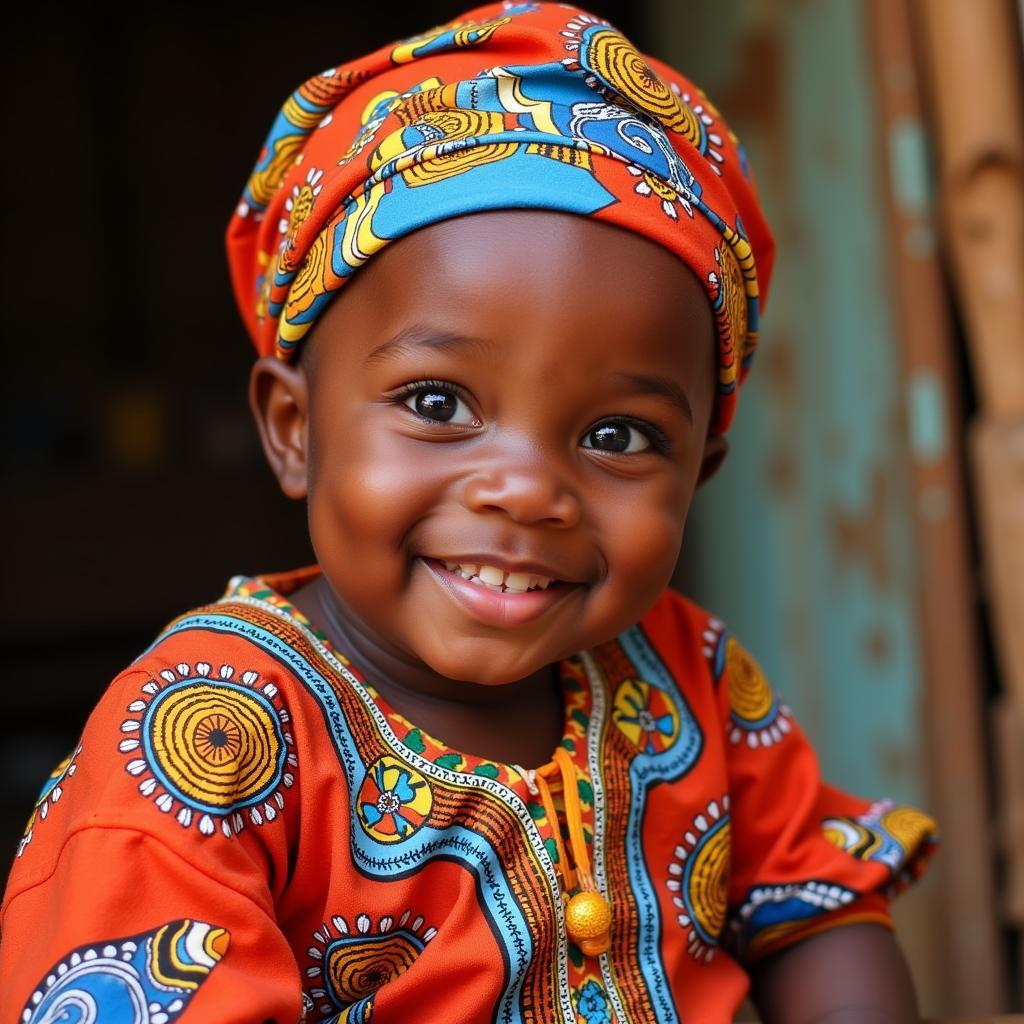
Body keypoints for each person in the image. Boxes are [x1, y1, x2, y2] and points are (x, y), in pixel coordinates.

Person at [0, 4, 937, 1021]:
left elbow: (819, 903)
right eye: (438, 404)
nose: (526, 488)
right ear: (292, 428)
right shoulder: (210, 734)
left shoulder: (689, 678)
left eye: (617, 435)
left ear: (698, 470)